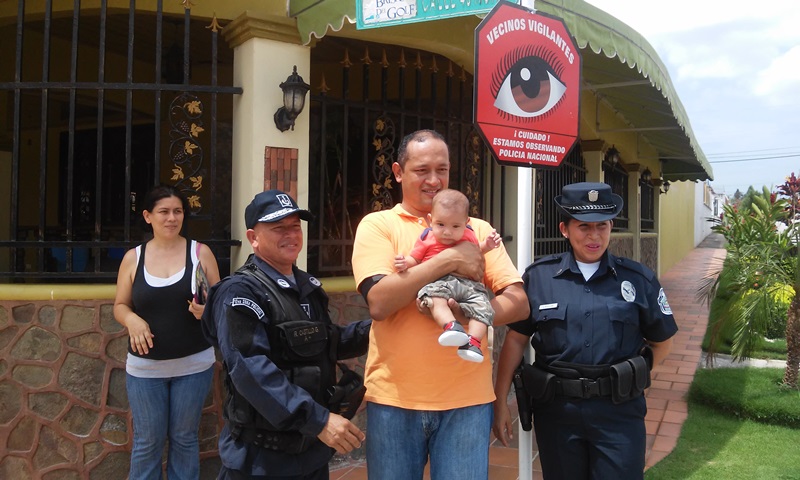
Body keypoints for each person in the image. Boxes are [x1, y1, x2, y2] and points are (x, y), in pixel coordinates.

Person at [352, 129, 529, 479]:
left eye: (442, 169)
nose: (434, 180)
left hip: (467, 402)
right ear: (398, 172)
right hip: (394, 400)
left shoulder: (476, 229)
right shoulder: (378, 226)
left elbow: (519, 303)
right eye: (422, 170)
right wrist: (450, 259)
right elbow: (380, 302)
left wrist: (471, 312)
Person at [492, 182, 678, 480]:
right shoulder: (540, 278)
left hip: (619, 412)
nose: (594, 236)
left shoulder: (637, 279)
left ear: (611, 226)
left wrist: (632, 377)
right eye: (584, 227)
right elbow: (516, 341)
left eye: (602, 226)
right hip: (558, 412)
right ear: (564, 229)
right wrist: (500, 401)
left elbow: (662, 342)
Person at [201, 189, 372, 480]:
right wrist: (319, 421)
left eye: (295, 226)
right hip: (260, 460)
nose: (291, 235)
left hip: (310, 454)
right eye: (279, 228)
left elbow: (328, 343)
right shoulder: (240, 292)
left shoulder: (306, 286)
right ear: (253, 237)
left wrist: (379, 328)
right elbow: (251, 371)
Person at [113, 184, 221, 480]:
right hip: (145, 369)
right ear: (148, 216)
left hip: (194, 366)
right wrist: (132, 320)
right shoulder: (133, 258)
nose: (172, 218)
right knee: (148, 442)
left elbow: (221, 302)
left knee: (185, 439)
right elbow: (120, 305)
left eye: (178, 211)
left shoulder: (201, 253)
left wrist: (207, 310)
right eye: (164, 212)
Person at [393, 188, 502, 362]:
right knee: (435, 298)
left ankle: (473, 343)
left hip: (470, 285)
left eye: (455, 226)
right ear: (431, 220)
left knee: (483, 307)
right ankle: (451, 326)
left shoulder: (470, 234)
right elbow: (415, 258)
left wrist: (487, 245)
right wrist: (404, 263)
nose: (447, 232)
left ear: (466, 223)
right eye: (441, 224)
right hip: (440, 281)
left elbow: (477, 251)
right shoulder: (427, 238)